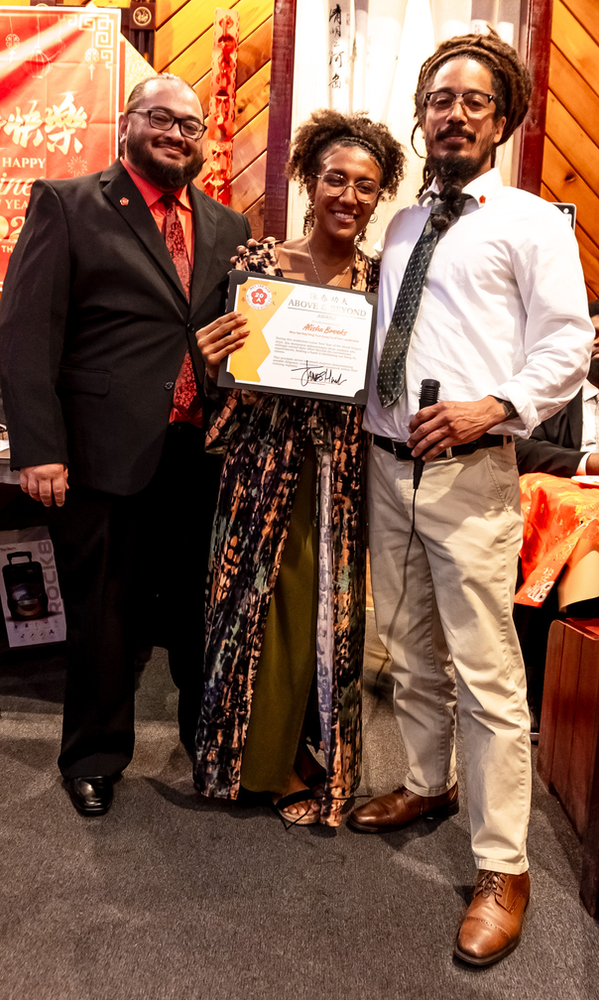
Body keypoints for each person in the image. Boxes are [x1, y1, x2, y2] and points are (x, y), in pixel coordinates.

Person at [347, 30, 593, 965]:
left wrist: (496, 406)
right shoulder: (402, 224)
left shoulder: (533, 222)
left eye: (473, 102)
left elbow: (566, 347)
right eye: (439, 99)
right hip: (383, 462)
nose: (453, 114)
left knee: (487, 675)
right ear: (423, 113)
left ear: (504, 120)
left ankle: (503, 865)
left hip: (470, 472)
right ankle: (424, 780)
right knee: (407, 647)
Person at [0, 74, 251, 817]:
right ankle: (94, 757)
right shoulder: (67, 203)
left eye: (192, 124)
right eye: (162, 119)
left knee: (193, 613)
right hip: (99, 453)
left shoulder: (228, 226)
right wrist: (39, 449)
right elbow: (24, 335)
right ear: (127, 121)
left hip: (196, 452)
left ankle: (204, 751)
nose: (178, 134)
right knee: (103, 616)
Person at [193, 110, 405, 826]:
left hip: (340, 474)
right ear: (309, 184)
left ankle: (313, 753)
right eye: (335, 179)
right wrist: (215, 357)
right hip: (263, 467)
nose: (348, 195)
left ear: (380, 198)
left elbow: (389, 383)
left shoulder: (380, 283)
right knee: (258, 607)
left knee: (327, 612)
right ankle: (254, 761)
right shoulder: (257, 267)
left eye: (365, 185)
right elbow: (228, 378)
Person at [514, 299, 599, 732]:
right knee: (556, 559)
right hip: (553, 518)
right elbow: (523, 449)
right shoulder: (553, 391)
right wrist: (587, 461)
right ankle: (534, 692)